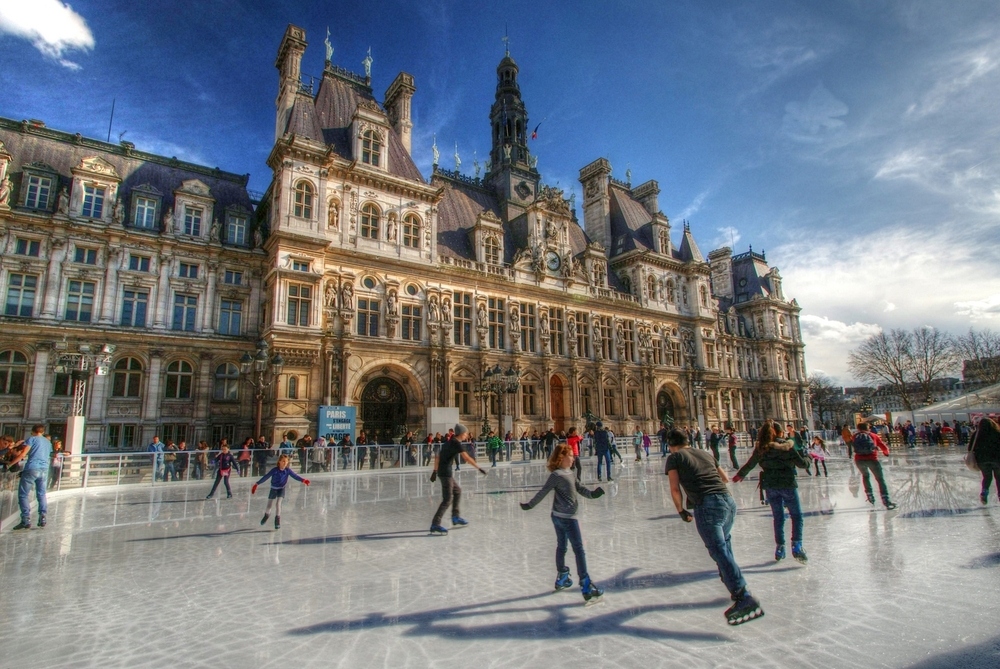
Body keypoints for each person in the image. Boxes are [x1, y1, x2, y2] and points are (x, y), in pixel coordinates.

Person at [665, 428, 763, 625]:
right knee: (724, 548)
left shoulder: (675, 457)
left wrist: (681, 510)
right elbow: (725, 478)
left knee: (718, 551)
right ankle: (735, 590)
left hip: (707, 506)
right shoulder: (704, 453)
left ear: (671, 445)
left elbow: (675, 488)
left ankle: (743, 595)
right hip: (728, 502)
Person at [520, 443, 606, 602]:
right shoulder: (557, 475)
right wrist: (530, 505)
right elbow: (543, 491)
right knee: (578, 549)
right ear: (562, 458)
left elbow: (580, 489)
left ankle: (562, 576)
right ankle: (585, 584)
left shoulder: (571, 474)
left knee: (562, 546)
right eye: (571, 455)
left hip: (559, 516)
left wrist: (593, 495)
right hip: (566, 518)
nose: (574, 458)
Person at [733, 422, 810, 563]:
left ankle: (780, 547)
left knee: (778, 517)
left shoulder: (762, 448)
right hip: (787, 484)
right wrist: (808, 457)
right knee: (796, 515)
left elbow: (750, 463)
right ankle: (797, 546)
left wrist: (739, 475)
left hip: (770, 486)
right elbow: (802, 464)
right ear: (781, 433)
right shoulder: (787, 446)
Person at [429, 424, 486, 535]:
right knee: (447, 499)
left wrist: (435, 471)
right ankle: (435, 523)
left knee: (457, 491)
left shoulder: (448, 442)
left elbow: (438, 456)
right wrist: (479, 468)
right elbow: (467, 458)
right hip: (446, 473)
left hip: (443, 472)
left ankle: (455, 516)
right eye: (465, 433)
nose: (466, 435)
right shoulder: (456, 443)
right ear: (461, 433)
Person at [252, 454, 310, 529]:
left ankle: (277, 519)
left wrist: (303, 480)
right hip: (273, 488)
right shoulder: (275, 470)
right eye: (283, 461)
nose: (285, 463)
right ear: (279, 461)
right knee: (269, 505)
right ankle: (266, 515)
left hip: (281, 489)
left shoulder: (287, 470)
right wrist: (257, 483)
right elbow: (266, 476)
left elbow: (295, 476)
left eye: (286, 462)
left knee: (278, 504)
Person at [12, 425, 52, 530]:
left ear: (32, 431)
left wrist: (10, 464)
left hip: (32, 468)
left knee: (23, 494)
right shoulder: (48, 442)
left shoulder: (32, 439)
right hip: (44, 469)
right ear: (43, 432)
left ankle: (25, 519)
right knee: (41, 494)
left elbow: (22, 455)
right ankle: (42, 517)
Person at [853, 423, 896, 510]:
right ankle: (885, 499)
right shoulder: (873, 435)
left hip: (859, 460)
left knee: (865, 476)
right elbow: (882, 446)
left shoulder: (855, 436)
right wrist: (886, 453)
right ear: (868, 427)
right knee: (880, 479)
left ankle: (870, 496)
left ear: (858, 428)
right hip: (872, 459)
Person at [969, 417, 1000, 505]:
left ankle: (984, 493)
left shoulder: (976, 434)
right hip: (997, 459)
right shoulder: (997, 433)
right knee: (998, 478)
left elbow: (970, 448)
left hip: (982, 460)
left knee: (987, 477)